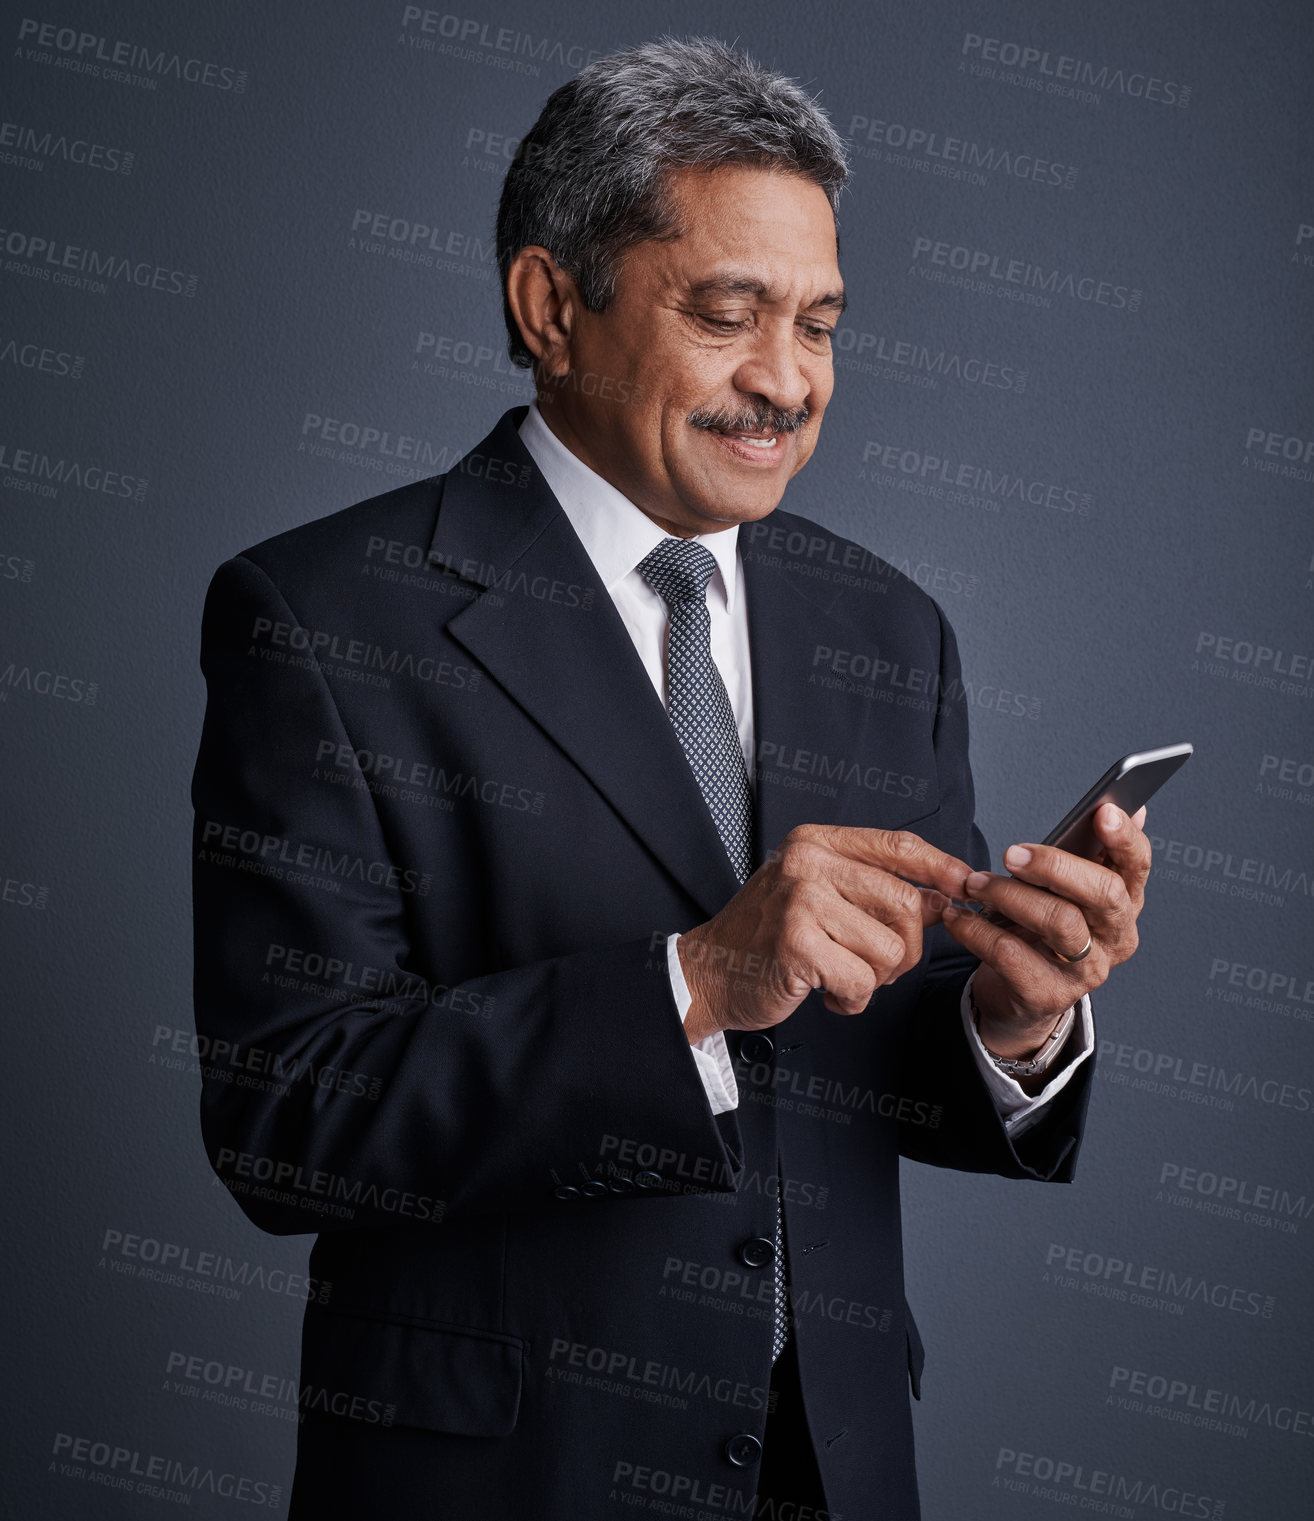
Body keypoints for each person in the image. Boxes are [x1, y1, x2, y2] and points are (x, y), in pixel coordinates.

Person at [191, 37, 1151, 1521]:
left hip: (829, 1469)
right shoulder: (327, 616)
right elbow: (284, 1117)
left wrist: (1014, 1022)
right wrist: (692, 980)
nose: (785, 381)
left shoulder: (887, 625)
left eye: (821, 324)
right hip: (504, 1478)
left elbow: (869, 1062)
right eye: (728, 314)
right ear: (548, 308)